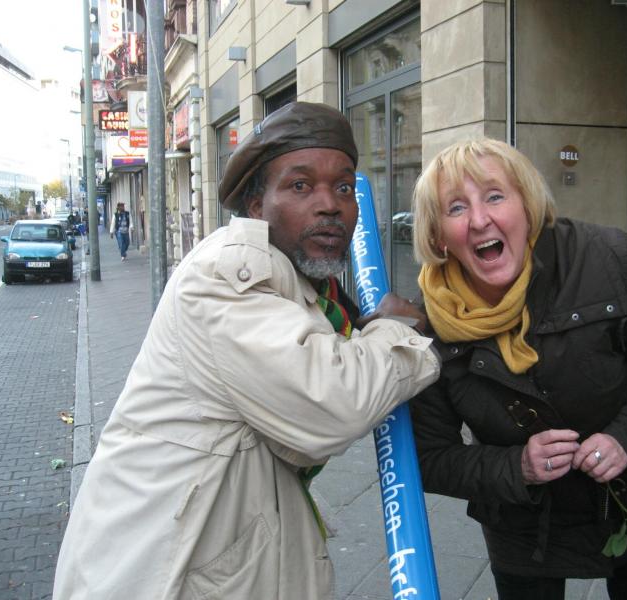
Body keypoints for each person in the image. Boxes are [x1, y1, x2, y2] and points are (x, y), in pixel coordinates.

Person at [53, 102, 440, 599]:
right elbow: (329, 404)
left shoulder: (297, 284)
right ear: (257, 207)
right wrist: (400, 334)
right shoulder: (225, 277)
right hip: (160, 577)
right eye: (300, 186)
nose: (330, 204)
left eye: (344, 188)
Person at [408, 139, 627, 600]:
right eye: (456, 207)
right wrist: (517, 467)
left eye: (494, 196)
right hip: (524, 527)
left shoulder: (609, 258)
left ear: (527, 205)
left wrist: (626, 438)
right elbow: (429, 458)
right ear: (438, 235)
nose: (480, 220)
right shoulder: (426, 327)